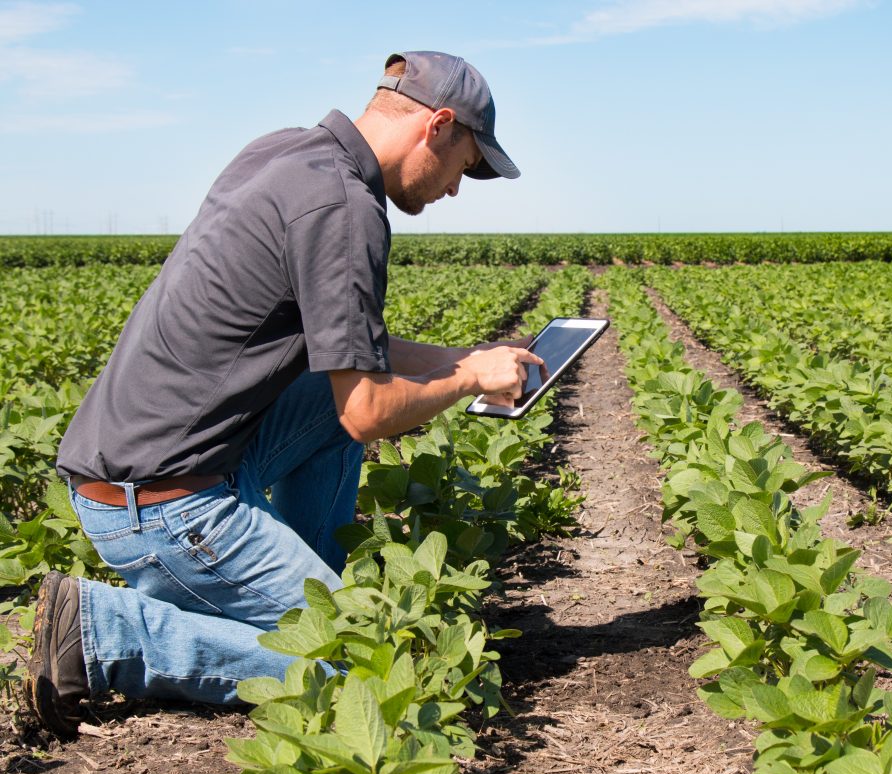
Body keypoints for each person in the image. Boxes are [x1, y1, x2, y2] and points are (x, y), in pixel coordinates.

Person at [26, 51, 542, 738]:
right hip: (159, 504)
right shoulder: (346, 209)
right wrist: (471, 379)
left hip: (141, 465)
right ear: (439, 125)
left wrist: (464, 356)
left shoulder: (285, 156)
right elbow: (366, 411)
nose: (456, 189)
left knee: (325, 400)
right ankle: (106, 631)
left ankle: (302, 588)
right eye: (467, 165)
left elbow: (356, 361)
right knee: (362, 668)